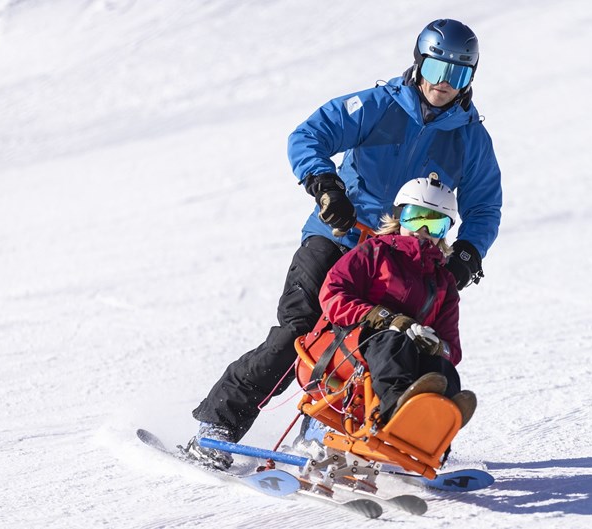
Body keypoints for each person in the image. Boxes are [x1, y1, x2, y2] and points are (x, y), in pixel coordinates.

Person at [185, 19, 501, 470]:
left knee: (388, 342)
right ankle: (217, 426)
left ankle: (365, 435)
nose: (442, 85)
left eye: (458, 75)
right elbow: (308, 135)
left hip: (402, 257)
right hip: (339, 236)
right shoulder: (377, 106)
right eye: (436, 68)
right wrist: (325, 184)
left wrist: (467, 254)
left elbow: (485, 206)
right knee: (298, 334)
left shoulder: (470, 139)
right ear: (418, 62)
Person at [320, 177, 476, 426]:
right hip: (353, 345)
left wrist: (436, 346)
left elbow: (452, 349)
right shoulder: (374, 252)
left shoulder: (444, 282)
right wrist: (381, 318)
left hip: (405, 357)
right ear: (399, 216)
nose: (422, 231)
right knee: (393, 341)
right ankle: (396, 411)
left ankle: (440, 426)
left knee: (441, 369)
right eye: (415, 217)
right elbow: (333, 293)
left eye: (435, 225)